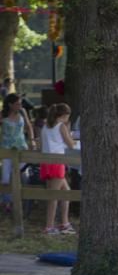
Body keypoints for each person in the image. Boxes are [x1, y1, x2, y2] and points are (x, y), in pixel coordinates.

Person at [40, 103, 76, 236]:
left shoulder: (45, 126)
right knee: (53, 196)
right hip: (57, 162)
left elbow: (41, 145)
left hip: (46, 163)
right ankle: (49, 226)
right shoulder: (61, 126)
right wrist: (69, 131)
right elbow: (71, 145)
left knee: (66, 191)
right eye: (68, 116)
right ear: (63, 115)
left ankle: (64, 223)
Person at [1, 94, 35, 201]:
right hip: (7, 148)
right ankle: (7, 202)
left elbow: (29, 126)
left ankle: (17, 199)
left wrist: (32, 141)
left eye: (20, 103)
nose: (19, 105)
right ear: (10, 104)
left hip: (21, 147)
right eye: (17, 104)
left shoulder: (22, 112)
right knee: (6, 177)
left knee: (16, 172)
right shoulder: (3, 115)